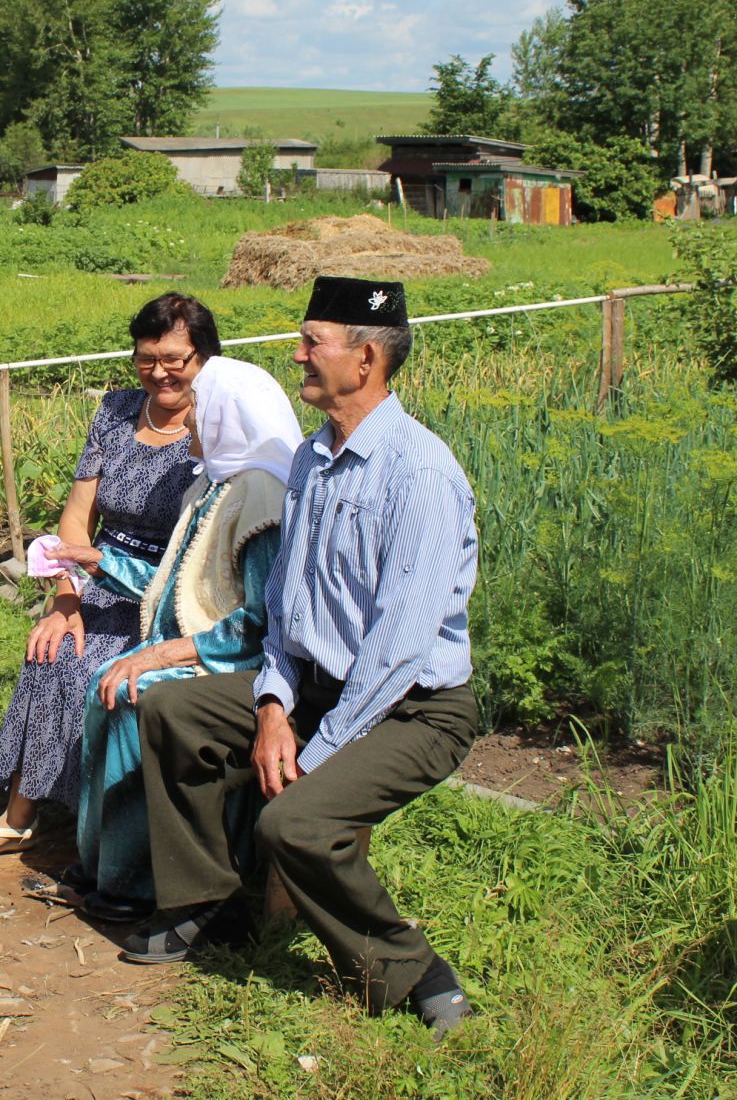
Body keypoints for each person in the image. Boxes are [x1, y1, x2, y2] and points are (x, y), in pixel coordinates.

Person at [125, 275, 481, 1041]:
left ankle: (412, 967)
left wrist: (312, 746)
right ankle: (207, 904)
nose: (297, 357)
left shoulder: (417, 472)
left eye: (312, 342)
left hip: (412, 706)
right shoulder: (315, 459)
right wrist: (273, 705)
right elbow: (287, 606)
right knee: (171, 708)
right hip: (316, 686)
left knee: (294, 822)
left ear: (366, 360)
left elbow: (399, 644)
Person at [0, 294, 216, 862]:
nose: (160, 371)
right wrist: (65, 597)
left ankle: (99, 824)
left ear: (204, 357)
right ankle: (19, 815)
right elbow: (79, 513)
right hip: (98, 573)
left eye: (176, 358)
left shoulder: (218, 422)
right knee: (53, 651)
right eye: (147, 357)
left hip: (169, 589)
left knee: (107, 673)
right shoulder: (118, 411)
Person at [60, 355, 303, 920]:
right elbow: (176, 585)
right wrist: (99, 561)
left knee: (128, 693)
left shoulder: (260, 496)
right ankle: (105, 863)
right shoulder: (215, 484)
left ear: (226, 416)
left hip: (236, 665)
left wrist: (163, 653)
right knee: (109, 678)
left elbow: (261, 623)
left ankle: (133, 883)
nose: (188, 422)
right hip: (195, 649)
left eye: (199, 409)